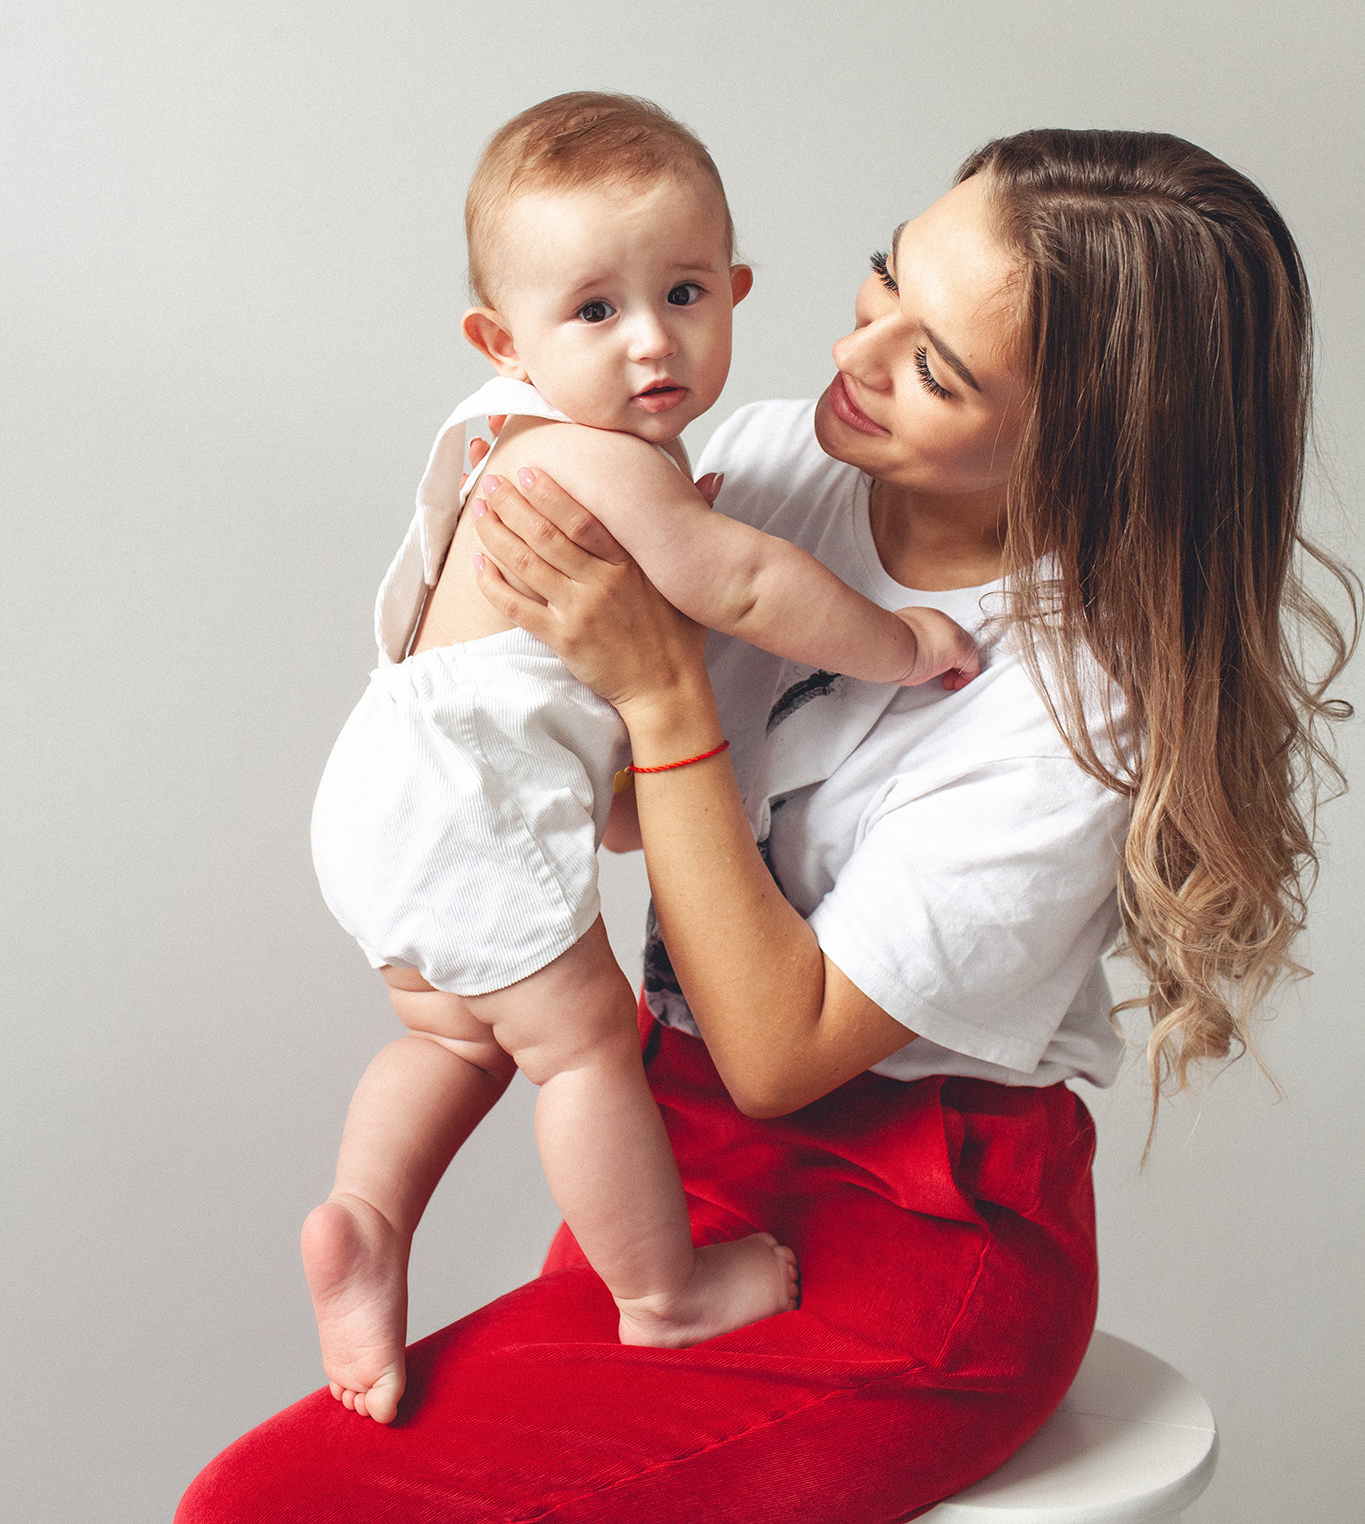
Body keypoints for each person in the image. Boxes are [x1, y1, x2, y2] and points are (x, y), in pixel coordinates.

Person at [178, 128, 1354, 1524]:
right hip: (669, 1160)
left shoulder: (1078, 715)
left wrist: (661, 690)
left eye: (936, 367)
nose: (856, 359)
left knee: (269, 1508)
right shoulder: (753, 457)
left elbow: (777, 1053)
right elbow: (609, 801)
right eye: (882, 284)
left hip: (909, 1239)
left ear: (1099, 441)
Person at [303, 93, 980, 1423]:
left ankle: (367, 1217)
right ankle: (662, 1292)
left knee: (450, 1034)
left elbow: (571, 684)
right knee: (583, 1054)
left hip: (381, 796)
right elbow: (739, 582)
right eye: (592, 314)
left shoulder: (503, 437)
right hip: (467, 812)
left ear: (735, 289)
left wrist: (614, 792)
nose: (651, 345)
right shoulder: (608, 464)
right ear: (503, 341)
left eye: (681, 293)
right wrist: (896, 646)